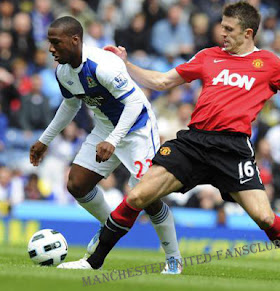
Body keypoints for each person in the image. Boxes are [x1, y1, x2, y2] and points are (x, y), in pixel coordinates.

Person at [59, 2, 280, 284]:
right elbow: (160, 81)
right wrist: (125, 65)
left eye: (229, 29)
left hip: (233, 148)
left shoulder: (269, 64)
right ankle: (93, 261)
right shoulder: (209, 56)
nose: (222, 33)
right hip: (195, 142)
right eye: (221, 27)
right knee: (139, 194)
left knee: (265, 218)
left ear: (248, 33)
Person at [29, 16, 182, 274]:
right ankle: (109, 226)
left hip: (137, 129)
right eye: (49, 43)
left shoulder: (103, 65)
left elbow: (135, 103)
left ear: (75, 40)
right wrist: (45, 140)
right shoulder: (63, 71)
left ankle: (174, 259)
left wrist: (113, 140)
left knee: (148, 198)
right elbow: (70, 104)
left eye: (56, 43)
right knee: (76, 184)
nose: (51, 49)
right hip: (105, 128)